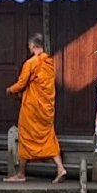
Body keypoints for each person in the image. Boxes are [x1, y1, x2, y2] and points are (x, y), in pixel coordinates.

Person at [5, 34, 67, 184]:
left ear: (33, 46)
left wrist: (10, 90)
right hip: (46, 108)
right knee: (48, 136)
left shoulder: (32, 63)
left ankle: (20, 174)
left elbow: (21, 83)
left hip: (32, 107)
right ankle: (60, 168)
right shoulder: (49, 62)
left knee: (25, 138)